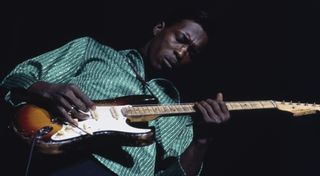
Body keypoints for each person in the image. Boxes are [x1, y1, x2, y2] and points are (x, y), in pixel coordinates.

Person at [1, 8, 230, 176]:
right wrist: (46, 90)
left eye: (192, 52)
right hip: (71, 161)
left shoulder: (179, 110)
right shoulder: (91, 49)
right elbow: (16, 77)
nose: (182, 53)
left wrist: (203, 139)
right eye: (181, 39)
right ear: (159, 28)